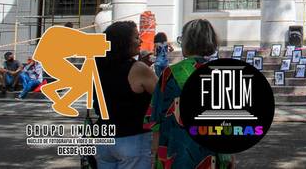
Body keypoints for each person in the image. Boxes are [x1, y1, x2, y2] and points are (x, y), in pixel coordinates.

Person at [147, 19, 233, 168]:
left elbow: (156, 120)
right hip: (208, 154)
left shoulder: (169, 74)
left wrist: (155, 153)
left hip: (174, 153)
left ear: (186, 41)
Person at [95, 21, 157, 169]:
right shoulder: (138, 69)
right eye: (136, 37)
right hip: (132, 138)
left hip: (103, 139)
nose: (140, 41)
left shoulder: (96, 65)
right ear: (124, 42)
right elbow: (162, 94)